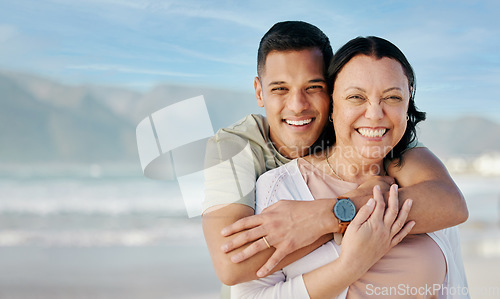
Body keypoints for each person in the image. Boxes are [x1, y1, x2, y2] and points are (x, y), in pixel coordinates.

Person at [202, 21, 468, 296]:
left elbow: (449, 201)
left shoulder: (383, 141)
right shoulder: (240, 150)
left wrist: (331, 214)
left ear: (329, 94)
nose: (297, 105)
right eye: (280, 89)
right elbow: (232, 265)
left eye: (313, 87)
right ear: (259, 92)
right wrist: (336, 226)